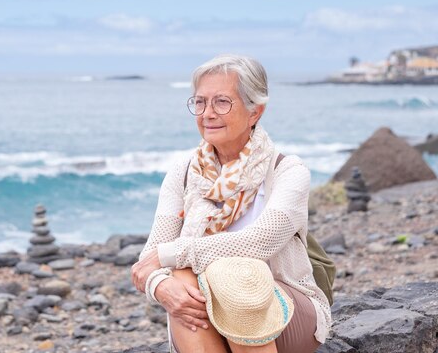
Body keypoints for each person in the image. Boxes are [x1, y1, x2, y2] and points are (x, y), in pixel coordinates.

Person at [131, 54, 331, 353]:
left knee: (229, 273)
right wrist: (162, 287)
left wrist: (170, 255)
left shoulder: (287, 172)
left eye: (222, 102)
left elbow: (258, 242)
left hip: (286, 312)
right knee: (181, 275)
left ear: (255, 112)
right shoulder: (184, 173)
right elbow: (149, 259)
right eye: (200, 102)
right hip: (210, 316)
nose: (207, 113)